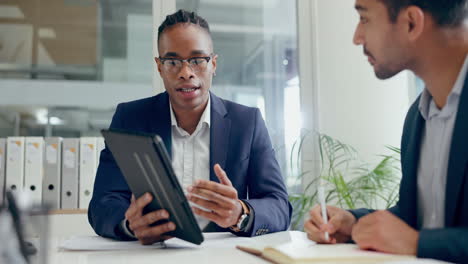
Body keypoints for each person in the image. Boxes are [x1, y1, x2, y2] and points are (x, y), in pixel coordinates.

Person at [88, 9, 292, 245]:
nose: (186, 73)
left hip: (223, 257)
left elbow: (279, 205)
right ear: (159, 66)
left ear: (213, 64)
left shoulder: (247, 122)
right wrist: (130, 225)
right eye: (173, 61)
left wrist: (240, 213)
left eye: (197, 60)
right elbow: (102, 204)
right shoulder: (130, 118)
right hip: (150, 255)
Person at [304, 0, 468, 262]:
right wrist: (354, 224)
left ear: (411, 23)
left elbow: (418, 237)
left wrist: (418, 243)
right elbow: (416, 218)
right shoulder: (418, 116)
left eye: (365, 19)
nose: (357, 38)